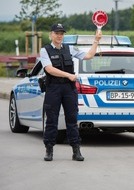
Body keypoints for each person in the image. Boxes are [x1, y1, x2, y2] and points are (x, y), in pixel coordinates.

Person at [40, 23, 102, 161]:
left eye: (61, 33)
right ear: (51, 34)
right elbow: (49, 69)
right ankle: (49, 150)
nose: (59, 36)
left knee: (72, 120)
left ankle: (76, 150)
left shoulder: (69, 49)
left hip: (69, 89)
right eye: (57, 33)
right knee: (51, 120)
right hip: (54, 88)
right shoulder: (45, 50)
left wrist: (96, 41)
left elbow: (89, 56)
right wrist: (68, 75)